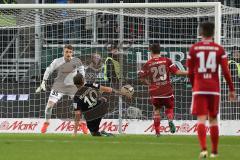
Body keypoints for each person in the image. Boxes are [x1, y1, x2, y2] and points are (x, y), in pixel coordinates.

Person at [187, 22, 236, 159]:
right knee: (213, 119)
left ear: (201, 32)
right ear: (214, 33)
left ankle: (203, 150)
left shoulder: (194, 49)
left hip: (200, 88)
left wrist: (193, 86)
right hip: (214, 89)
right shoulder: (219, 49)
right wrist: (231, 89)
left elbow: (190, 72)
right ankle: (214, 151)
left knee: (201, 119)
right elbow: (226, 71)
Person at [36, 44, 87, 134]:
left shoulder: (77, 61)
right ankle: (46, 122)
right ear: (63, 52)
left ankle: (82, 124)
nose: (68, 54)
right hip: (59, 86)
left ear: (72, 53)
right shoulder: (57, 61)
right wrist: (43, 81)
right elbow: (48, 70)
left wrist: (83, 81)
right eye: (66, 52)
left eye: (70, 52)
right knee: (49, 106)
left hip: (72, 87)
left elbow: (82, 70)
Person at [138, 43, 188, 137]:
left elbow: (140, 76)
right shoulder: (167, 60)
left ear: (151, 52)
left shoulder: (148, 63)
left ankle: (157, 133)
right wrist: (190, 72)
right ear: (160, 51)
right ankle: (170, 120)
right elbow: (177, 72)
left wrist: (148, 83)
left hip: (155, 92)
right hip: (166, 90)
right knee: (169, 108)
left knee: (156, 110)